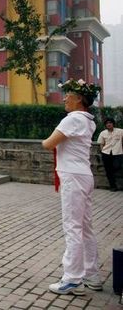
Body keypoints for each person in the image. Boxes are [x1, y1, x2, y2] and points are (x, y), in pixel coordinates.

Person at [42, 79, 102, 296]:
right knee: (85, 227)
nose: (64, 98)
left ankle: (72, 279)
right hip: (83, 175)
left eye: (68, 95)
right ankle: (91, 274)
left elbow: (48, 143)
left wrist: (46, 141)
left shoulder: (73, 119)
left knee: (72, 227)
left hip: (73, 177)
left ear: (79, 99)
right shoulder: (88, 121)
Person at [96, 118, 122, 191]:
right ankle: (113, 186)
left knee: (117, 166)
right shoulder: (103, 133)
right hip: (106, 153)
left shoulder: (120, 131)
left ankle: (112, 174)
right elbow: (101, 143)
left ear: (113, 123)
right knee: (108, 171)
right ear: (105, 125)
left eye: (110, 123)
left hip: (118, 153)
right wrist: (102, 151)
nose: (109, 124)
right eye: (107, 123)